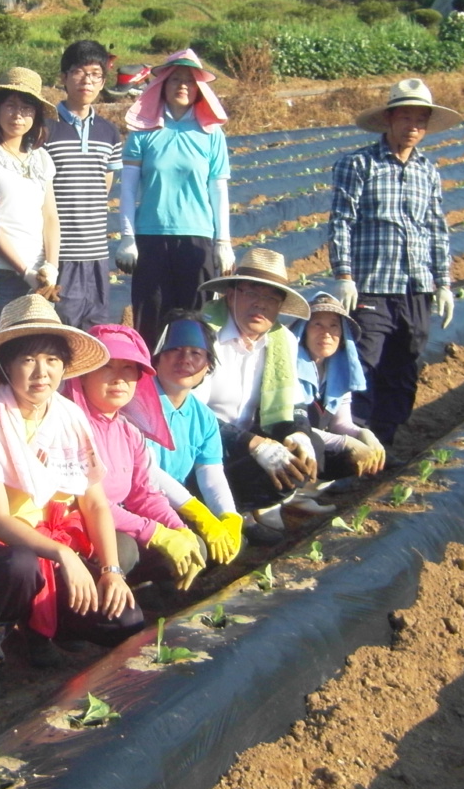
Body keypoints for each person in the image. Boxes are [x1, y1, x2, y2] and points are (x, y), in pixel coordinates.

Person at [0, 294, 142, 701]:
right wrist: (63, 555)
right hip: (2, 550)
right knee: (19, 567)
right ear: (5, 365)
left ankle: (47, 629)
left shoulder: (70, 417)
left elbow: (93, 502)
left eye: (52, 360)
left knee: (125, 611)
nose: (41, 372)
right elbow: (0, 522)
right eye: (27, 359)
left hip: (55, 546)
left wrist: (109, 570)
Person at [326, 78, 460, 448]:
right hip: (372, 285)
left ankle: (385, 442)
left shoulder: (427, 172)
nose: (413, 127)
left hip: (416, 288)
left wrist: (444, 283)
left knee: (404, 367)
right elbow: (341, 221)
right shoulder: (358, 164)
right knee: (366, 364)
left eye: (420, 120)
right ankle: (356, 448)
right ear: (389, 119)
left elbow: (437, 228)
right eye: (406, 118)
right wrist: (345, 275)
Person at [190, 248, 324, 545]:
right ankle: (211, 512)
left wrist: (299, 434)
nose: (260, 305)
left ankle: (241, 509)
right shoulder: (202, 334)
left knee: (307, 454)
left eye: (271, 298)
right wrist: (253, 443)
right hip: (196, 449)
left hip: (243, 444)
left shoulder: (282, 341)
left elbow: (294, 404)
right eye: (251, 292)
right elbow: (189, 414)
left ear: (279, 306)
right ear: (231, 294)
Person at [62, 324, 208, 591]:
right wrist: (155, 533)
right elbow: (92, 505)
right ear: (82, 375)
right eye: (107, 366)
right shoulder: (68, 427)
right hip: (78, 530)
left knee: (194, 545)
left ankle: (148, 602)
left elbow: (145, 494)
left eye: (128, 368)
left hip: (123, 525)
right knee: (123, 548)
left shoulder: (129, 431)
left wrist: (178, 529)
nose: (119, 378)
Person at [116, 49, 233, 347]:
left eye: (190, 81)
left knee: (197, 322)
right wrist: (127, 237)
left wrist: (224, 242)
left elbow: (218, 189)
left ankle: (196, 387)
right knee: (151, 321)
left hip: (197, 239)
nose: (183, 85)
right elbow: (127, 189)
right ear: (162, 85)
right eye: (175, 79)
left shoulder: (211, 133)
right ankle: (150, 387)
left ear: (199, 89)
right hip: (151, 238)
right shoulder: (143, 131)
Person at [147, 313, 244, 567]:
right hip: (139, 505)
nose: (185, 360)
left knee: (233, 544)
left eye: (195, 353)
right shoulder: (138, 405)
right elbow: (147, 472)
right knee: (196, 549)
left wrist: (229, 517)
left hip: (174, 504)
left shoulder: (203, 417)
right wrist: (199, 514)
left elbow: (210, 472)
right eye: (175, 350)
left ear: (208, 366)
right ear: (157, 357)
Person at [46, 41, 124, 328]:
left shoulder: (109, 132)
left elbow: (105, 184)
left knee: (95, 331)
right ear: (64, 77)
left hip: (96, 254)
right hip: (61, 253)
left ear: (103, 81)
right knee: (60, 331)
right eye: (79, 72)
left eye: (95, 74)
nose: (87, 80)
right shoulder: (45, 127)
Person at [0, 67, 60, 331]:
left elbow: (50, 217)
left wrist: (51, 266)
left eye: (26, 108)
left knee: (35, 351)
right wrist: (25, 272)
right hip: (2, 273)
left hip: (41, 276)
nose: (18, 115)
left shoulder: (41, 158)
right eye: (10, 106)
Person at [296, 293, 388, 480]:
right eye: (317, 324)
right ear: (304, 329)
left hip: (312, 438)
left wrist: (363, 434)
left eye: (334, 326)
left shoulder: (339, 370)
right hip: (289, 437)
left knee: (349, 455)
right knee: (320, 445)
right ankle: (282, 499)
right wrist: (346, 442)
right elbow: (290, 428)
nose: (326, 334)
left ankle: (307, 493)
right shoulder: (290, 367)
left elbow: (340, 423)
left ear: (342, 334)